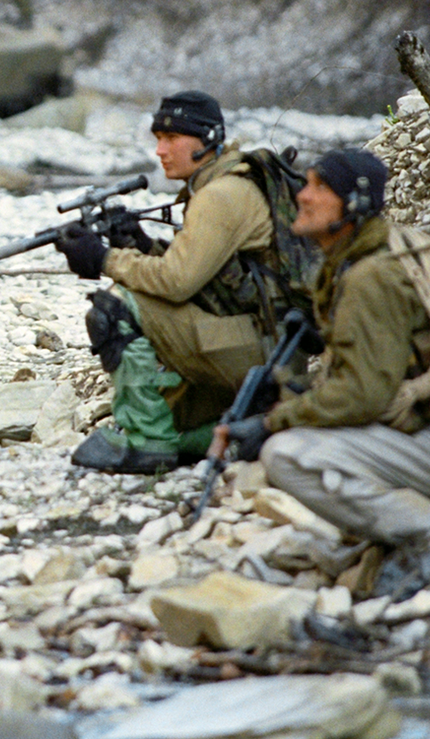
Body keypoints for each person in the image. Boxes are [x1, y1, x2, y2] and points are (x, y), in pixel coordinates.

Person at [55, 91, 296, 474]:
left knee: (115, 308)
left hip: (259, 351)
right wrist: (142, 245)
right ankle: (203, 429)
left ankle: (146, 440)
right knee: (138, 297)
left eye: (171, 139)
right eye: (157, 139)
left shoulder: (219, 195)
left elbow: (177, 283)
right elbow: (208, 274)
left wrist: (104, 258)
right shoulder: (228, 183)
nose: (160, 151)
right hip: (269, 343)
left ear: (207, 141)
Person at [233, 151, 430, 599]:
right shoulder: (380, 252)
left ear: (354, 206)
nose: (302, 196)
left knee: (287, 455)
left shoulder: (368, 278)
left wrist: (270, 424)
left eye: (321, 187)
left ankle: (421, 533)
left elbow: (364, 397)